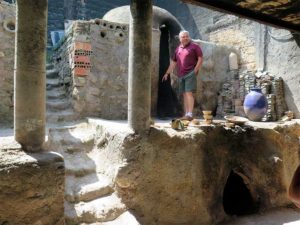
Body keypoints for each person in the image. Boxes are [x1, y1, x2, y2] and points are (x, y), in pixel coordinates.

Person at [162, 30, 203, 121]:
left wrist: (195, 70)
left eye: (186, 36)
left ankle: (190, 114)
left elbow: (200, 59)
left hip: (190, 73)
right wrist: (167, 73)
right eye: (183, 37)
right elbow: (173, 63)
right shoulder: (178, 49)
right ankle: (186, 114)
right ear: (180, 39)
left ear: (189, 37)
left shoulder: (195, 46)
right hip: (181, 75)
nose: (185, 38)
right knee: (184, 94)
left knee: (189, 93)